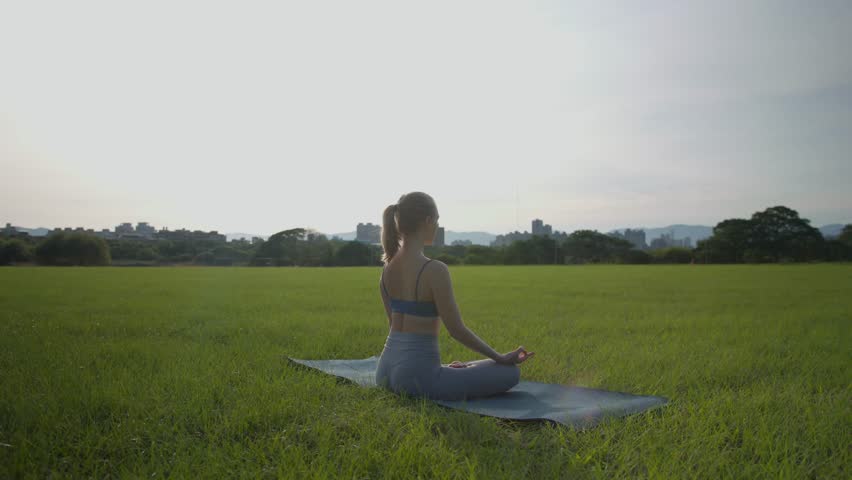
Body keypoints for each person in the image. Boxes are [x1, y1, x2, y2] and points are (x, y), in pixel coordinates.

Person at [375, 191, 535, 401]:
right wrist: (500, 357)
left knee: (468, 368)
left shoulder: (387, 270)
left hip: (384, 373)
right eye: (437, 220)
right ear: (428, 220)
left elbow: (393, 325)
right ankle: (450, 372)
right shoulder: (434, 270)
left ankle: (449, 371)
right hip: (417, 379)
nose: (437, 226)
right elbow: (456, 330)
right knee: (510, 372)